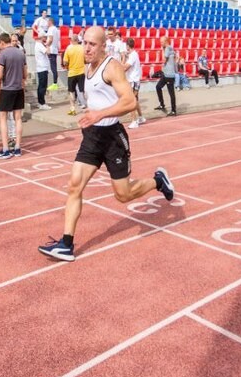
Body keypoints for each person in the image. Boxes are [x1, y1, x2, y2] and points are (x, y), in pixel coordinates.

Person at [38, 26, 175, 262]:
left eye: (92, 44)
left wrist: (100, 114)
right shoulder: (87, 66)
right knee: (74, 186)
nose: (87, 48)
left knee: (123, 195)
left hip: (113, 137)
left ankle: (157, 181)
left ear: (103, 46)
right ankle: (66, 244)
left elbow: (130, 101)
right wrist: (92, 117)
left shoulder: (111, 66)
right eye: (84, 43)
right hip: (92, 136)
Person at [0, 32, 27, 159]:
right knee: (18, 118)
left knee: (3, 118)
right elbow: (25, 74)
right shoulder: (20, 52)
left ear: (2, 42)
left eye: (0, 45)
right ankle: (18, 147)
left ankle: (6, 149)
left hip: (7, 89)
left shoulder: (3, 54)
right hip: (18, 88)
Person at [122, 37, 145, 127]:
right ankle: (141, 117)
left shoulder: (132, 55)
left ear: (128, 46)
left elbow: (125, 68)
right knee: (135, 100)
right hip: (134, 80)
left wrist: (123, 58)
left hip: (133, 81)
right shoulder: (133, 54)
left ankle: (134, 121)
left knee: (131, 101)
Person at [62, 31, 86, 116]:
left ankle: (72, 108)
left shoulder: (69, 48)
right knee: (82, 90)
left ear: (72, 40)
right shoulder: (82, 48)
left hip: (72, 73)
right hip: (81, 72)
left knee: (71, 91)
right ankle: (86, 107)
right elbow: (86, 60)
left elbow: (65, 62)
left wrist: (67, 65)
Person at [154, 36, 178, 116]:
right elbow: (174, 57)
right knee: (158, 87)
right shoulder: (171, 48)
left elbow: (163, 60)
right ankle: (162, 104)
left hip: (169, 75)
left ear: (166, 41)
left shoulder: (167, 48)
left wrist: (162, 50)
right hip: (166, 73)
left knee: (171, 93)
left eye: (161, 42)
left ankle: (173, 110)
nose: (161, 44)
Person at [34, 21, 51, 111]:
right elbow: (48, 52)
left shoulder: (39, 45)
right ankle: (42, 103)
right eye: (45, 37)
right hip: (42, 68)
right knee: (42, 86)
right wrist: (48, 44)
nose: (46, 38)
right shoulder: (39, 45)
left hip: (42, 68)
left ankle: (40, 102)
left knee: (41, 86)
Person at [45, 18, 61, 90]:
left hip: (51, 50)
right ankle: (55, 83)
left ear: (50, 22)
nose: (47, 23)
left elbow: (50, 39)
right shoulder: (56, 29)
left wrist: (47, 45)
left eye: (48, 22)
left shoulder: (51, 29)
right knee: (54, 67)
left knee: (53, 67)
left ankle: (55, 84)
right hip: (55, 49)